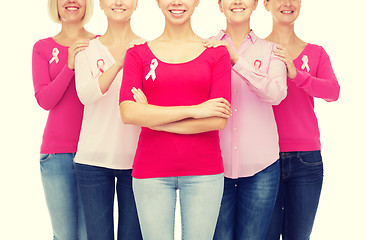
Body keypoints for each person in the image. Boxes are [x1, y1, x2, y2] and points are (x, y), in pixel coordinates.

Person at [119, 0, 232, 239]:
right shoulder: (137, 53)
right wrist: (194, 109)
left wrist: (152, 118)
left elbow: (217, 120)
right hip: (151, 171)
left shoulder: (217, 53)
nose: (177, 2)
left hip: (204, 171)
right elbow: (129, 113)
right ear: (158, 2)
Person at [202, 0, 287, 239]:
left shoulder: (272, 50)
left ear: (256, 4)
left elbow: (276, 94)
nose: (237, 1)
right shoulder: (203, 48)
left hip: (261, 166)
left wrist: (236, 60)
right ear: (220, 5)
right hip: (213, 166)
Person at [263, 0, 340, 239]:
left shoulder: (316, 52)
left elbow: (333, 92)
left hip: (307, 160)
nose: (287, 3)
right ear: (265, 4)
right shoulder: (256, 49)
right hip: (264, 159)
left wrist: (297, 75)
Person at [73, 0, 143, 239]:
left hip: (138, 162)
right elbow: (86, 95)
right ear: (101, 4)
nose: (119, 2)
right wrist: (119, 63)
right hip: (92, 161)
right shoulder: (86, 49)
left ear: (136, 4)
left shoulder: (148, 48)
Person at [31, 0, 95, 239]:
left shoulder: (100, 43)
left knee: (90, 235)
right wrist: (69, 65)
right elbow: (45, 100)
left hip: (94, 155)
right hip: (56, 156)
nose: (71, 1)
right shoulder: (42, 48)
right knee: (65, 235)